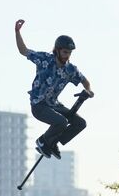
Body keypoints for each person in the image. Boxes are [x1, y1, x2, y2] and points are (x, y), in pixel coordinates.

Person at [15, 19, 94, 159]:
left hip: (54, 105)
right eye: (64, 52)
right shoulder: (44, 59)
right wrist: (17, 32)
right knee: (62, 122)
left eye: (69, 53)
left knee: (80, 123)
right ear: (57, 50)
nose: (67, 56)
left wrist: (88, 90)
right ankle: (43, 141)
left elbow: (85, 81)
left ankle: (52, 142)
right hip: (39, 105)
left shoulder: (70, 69)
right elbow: (23, 51)